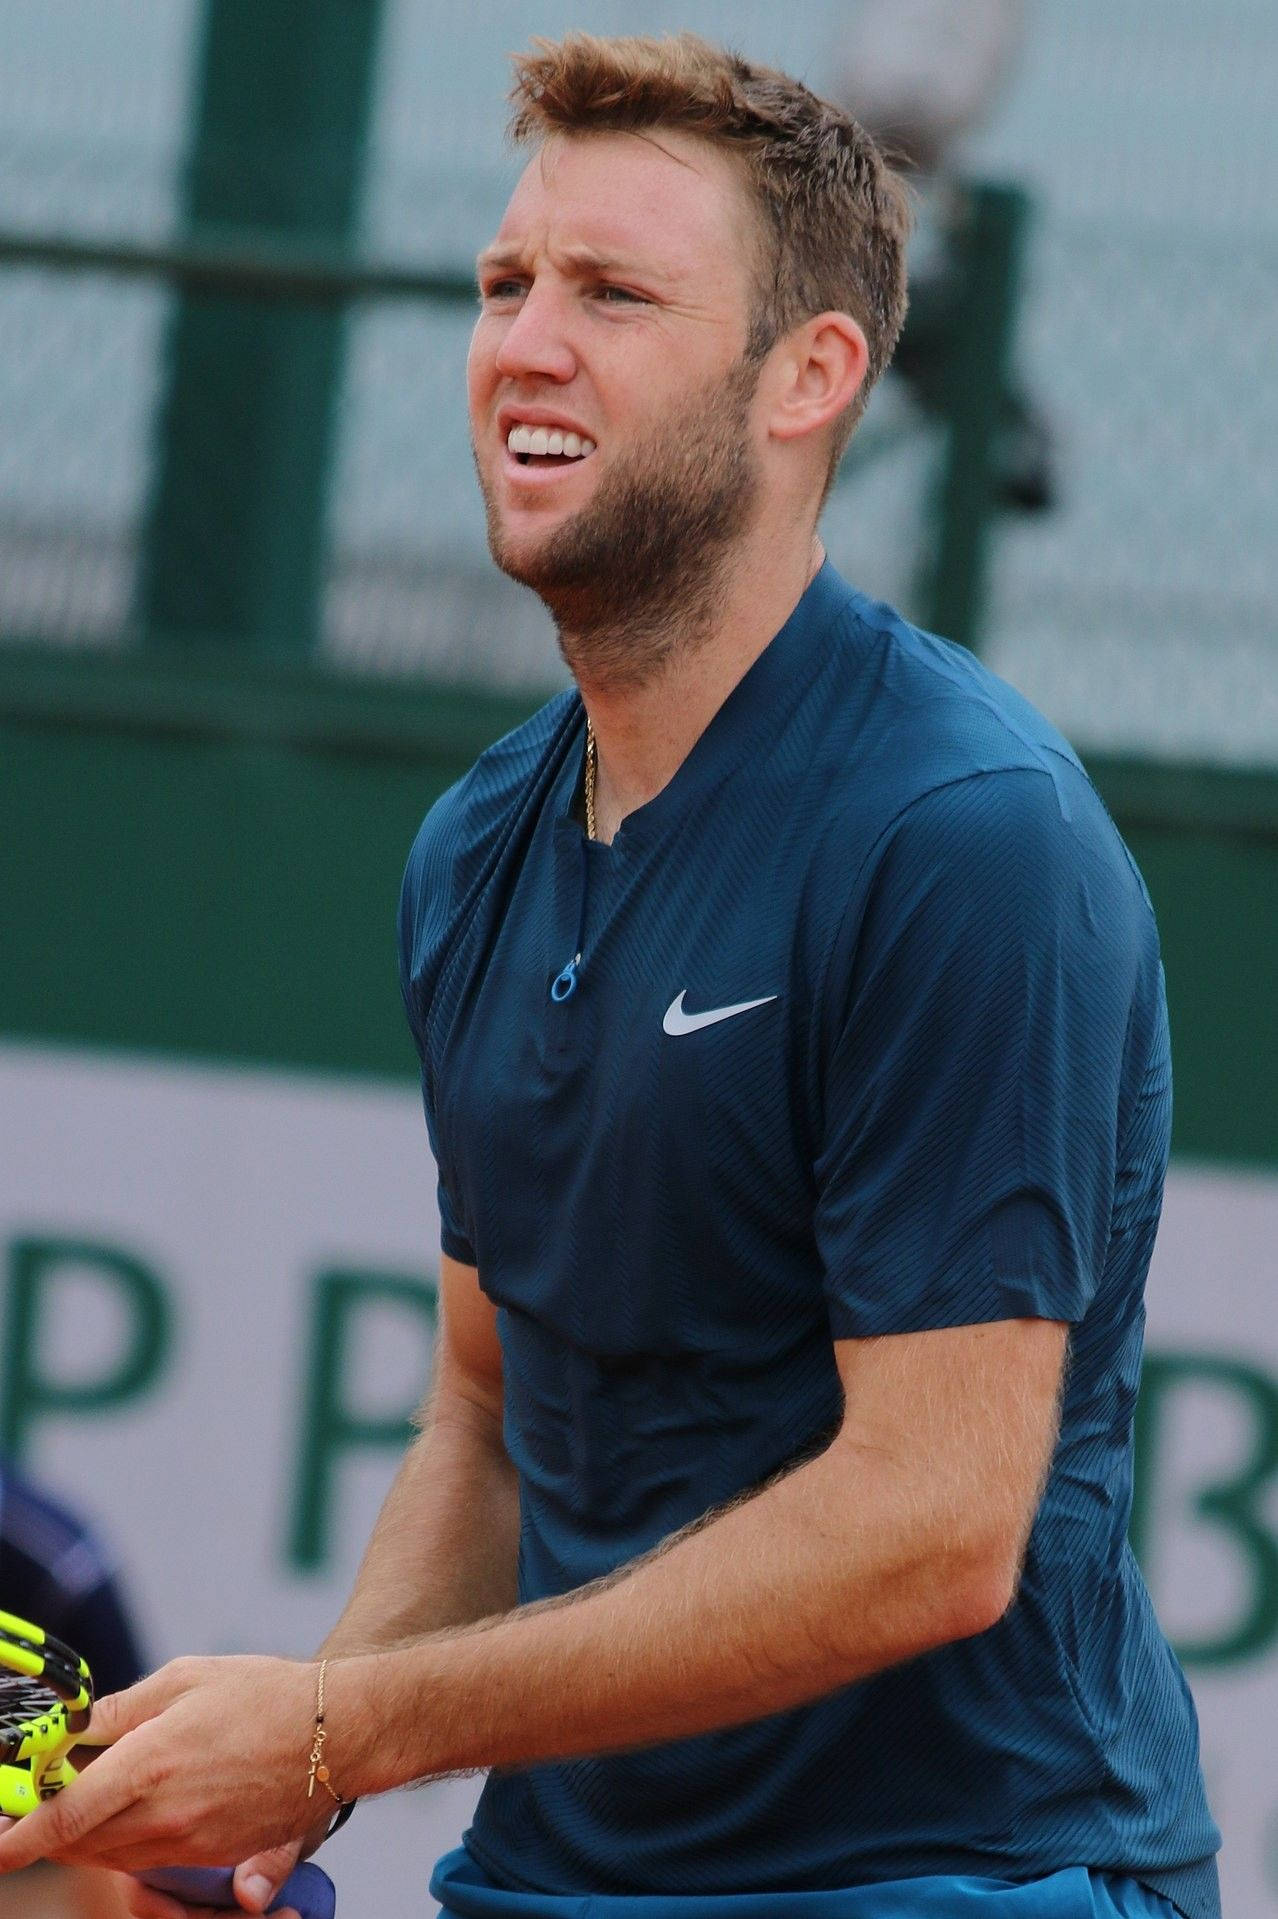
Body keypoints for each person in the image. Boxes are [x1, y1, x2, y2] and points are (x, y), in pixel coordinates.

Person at [0, 30, 1219, 1919]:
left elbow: (934, 1532)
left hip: (961, 1883)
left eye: (612, 295)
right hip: (558, 1875)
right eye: (505, 285)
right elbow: (487, 1414)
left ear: (807, 377)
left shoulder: (967, 838)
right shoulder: (475, 848)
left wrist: (342, 1729)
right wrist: (284, 1788)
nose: (523, 344)